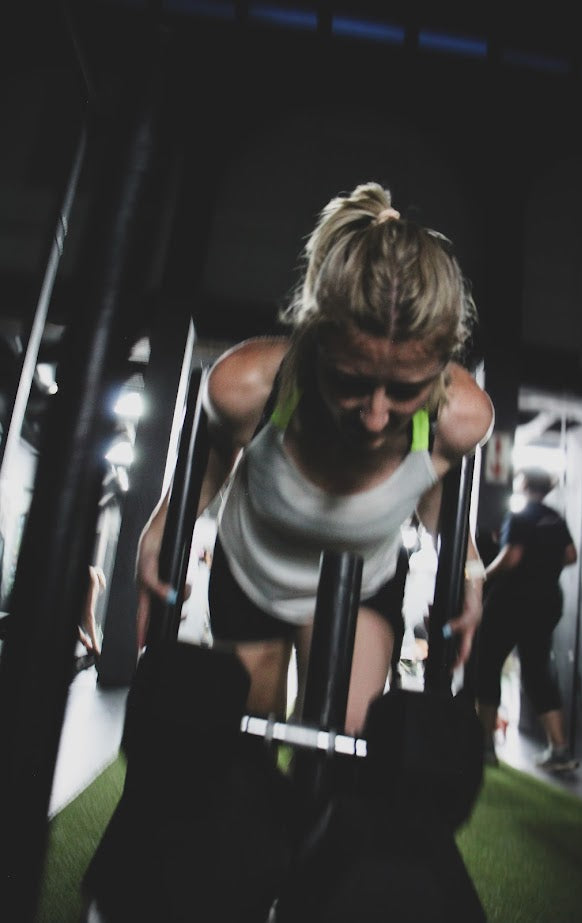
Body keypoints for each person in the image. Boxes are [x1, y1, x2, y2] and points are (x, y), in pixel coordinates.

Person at [137, 181, 494, 737]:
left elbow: (433, 493)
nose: (375, 416)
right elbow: (211, 462)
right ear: (316, 340)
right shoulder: (246, 386)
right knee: (247, 738)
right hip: (251, 572)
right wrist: (159, 534)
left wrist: (469, 571)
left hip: (364, 581)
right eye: (351, 381)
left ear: (441, 365)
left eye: (405, 391)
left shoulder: (461, 420)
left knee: (340, 739)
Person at [476, 468, 579, 771]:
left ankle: (485, 747)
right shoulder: (555, 518)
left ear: (522, 484)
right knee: (537, 672)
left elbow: (512, 557)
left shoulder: (519, 516)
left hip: (512, 601)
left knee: (488, 665)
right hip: (547, 601)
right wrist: (543, 563)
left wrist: (480, 576)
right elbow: (570, 555)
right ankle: (560, 750)